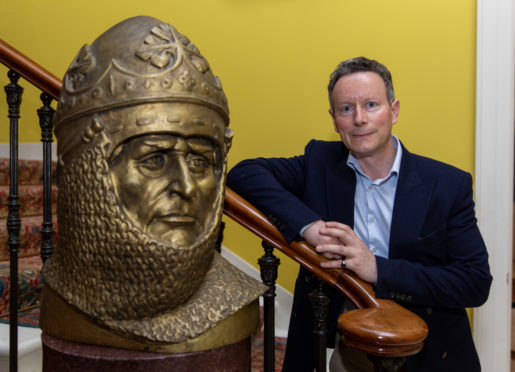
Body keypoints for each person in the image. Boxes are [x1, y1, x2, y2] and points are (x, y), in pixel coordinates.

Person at [227, 57, 492, 371]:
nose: (359, 119)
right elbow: (244, 174)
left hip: (427, 350)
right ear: (335, 119)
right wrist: (309, 226)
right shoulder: (320, 162)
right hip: (349, 345)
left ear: (393, 111)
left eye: (370, 105)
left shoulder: (447, 185)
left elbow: (474, 282)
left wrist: (378, 269)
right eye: (346, 109)